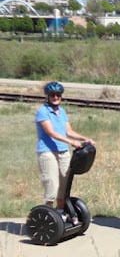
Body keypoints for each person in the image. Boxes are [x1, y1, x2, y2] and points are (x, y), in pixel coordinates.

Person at [34, 81, 93, 224]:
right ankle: (47, 216)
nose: (55, 97)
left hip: (63, 152)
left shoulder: (62, 112)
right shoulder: (43, 111)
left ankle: (60, 214)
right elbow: (51, 132)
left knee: (64, 186)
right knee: (52, 186)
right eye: (52, 95)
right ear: (47, 96)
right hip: (48, 152)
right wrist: (71, 142)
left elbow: (69, 131)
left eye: (58, 95)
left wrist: (85, 139)